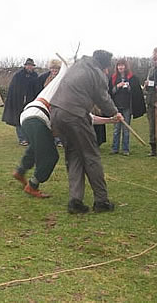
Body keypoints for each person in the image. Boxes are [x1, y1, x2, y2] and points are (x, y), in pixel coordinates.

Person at [13, 62, 119, 199]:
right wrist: (71, 63)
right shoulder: (61, 83)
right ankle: (32, 186)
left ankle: (20, 171)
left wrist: (111, 120)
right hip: (37, 117)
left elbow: (89, 118)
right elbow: (64, 68)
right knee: (51, 156)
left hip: (27, 116)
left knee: (36, 147)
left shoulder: (67, 93)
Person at [50, 50, 123, 214]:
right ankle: (101, 201)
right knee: (91, 156)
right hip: (74, 115)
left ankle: (75, 201)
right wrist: (115, 113)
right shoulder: (96, 73)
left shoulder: (78, 65)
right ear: (105, 65)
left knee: (74, 155)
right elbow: (103, 98)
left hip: (56, 113)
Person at [109, 59, 146, 156]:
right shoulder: (113, 78)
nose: (120, 67)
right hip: (116, 107)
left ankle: (125, 149)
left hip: (127, 107)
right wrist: (117, 86)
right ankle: (115, 148)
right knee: (116, 129)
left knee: (126, 129)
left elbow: (135, 93)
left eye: (122, 65)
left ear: (125, 67)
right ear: (117, 67)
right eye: (119, 65)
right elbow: (110, 92)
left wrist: (129, 87)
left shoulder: (132, 78)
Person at [2, 58, 41, 146]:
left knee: (29, 120)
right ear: (25, 66)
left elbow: (37, 88)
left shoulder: (35, 76)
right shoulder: (18, 75)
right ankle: (22, 139)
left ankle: (28, 138)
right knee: (18, 120)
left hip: (30, 102)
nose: (29, 67)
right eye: (28, 65)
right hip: (18, 101)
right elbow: (14, 89)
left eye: (31, 65)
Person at [38, 59, 63, 147]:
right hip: (48, 102)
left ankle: (59, 139)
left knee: (59, 121)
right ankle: (50, 139)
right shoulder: (46, 77)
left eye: (56, 68)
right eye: (52, 68)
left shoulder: (62, 78)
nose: (54, 70)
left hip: (60, 102)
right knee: (49, 121)